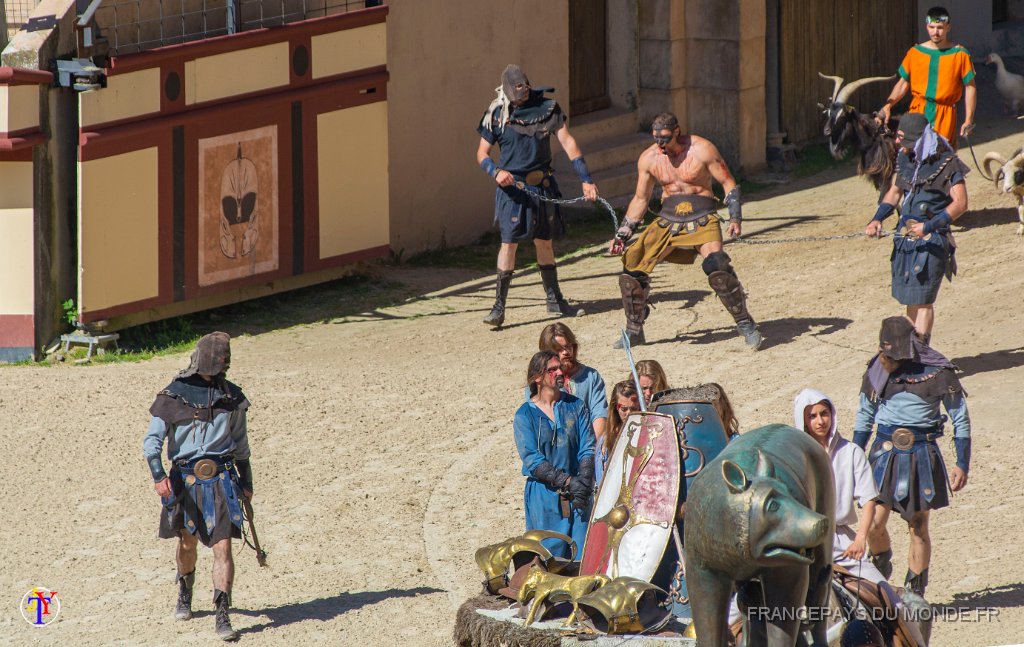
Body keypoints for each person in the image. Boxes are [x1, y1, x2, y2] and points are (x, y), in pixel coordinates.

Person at [609, 112, 763, 349]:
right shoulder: (649, 158)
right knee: (632, 269)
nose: (660, 144)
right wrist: (622, 234)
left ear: (677, 132)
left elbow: (728, 182)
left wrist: (735, 217)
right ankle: (634, 330)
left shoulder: (702, 149)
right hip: (668, 218)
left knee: (717, 266)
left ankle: (745, 323)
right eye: (656, 138)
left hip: (702, 216)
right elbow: (641, 198)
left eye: (666, 138)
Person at [143, 332, 253, 641]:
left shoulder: (232, 397)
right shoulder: (173, 395)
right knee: (187, 544)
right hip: (185, 481)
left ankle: (222, 614)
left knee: (223, 547)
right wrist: (158, 476)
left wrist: (246, 481)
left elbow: (241, 444)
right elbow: (152, 442)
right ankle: (185, 590)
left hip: (220, 481)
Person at [853, 316, 971, 596]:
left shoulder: (939, 371)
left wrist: (962, 462)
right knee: (873, 524)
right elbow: (864, 417)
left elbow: (960, 419)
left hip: (921, 454)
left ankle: (915, 595)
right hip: (883, 455)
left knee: (918, 527)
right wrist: (854, 459)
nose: (888, 358)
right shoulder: (876, 370)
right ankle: (880, 567)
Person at [476, 64, 599, 328]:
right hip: (513, 190)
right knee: (509, 244)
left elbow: (569, 143)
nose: (522, 91)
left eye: (524, 86)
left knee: (544, 242)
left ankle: (554, 300)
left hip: (542, 186)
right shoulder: (496, 114)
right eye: (516, 88)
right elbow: (481, 154)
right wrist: (496, 172)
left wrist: (586, 180)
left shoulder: (548, 109)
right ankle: (498, 306)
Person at [865, 112, 968, 343]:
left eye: (902, 137)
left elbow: (961, 203)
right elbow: (895, 192)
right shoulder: (907, 159)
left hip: (931, 242)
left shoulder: (947, 164)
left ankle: (921, 351)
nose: (898, 142)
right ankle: (911, 351)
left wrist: (929, 226)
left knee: (923, 300)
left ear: (918, 139)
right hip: (906, 239)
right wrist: (877, 218)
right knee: (911, 299)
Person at [794, 388, 886, 584]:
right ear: (803, 420)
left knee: (888, 598)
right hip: (802, 545)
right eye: (812, 416)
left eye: (824, 414)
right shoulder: (794, 457)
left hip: (842, 543)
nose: (820, 421)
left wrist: (860, 540)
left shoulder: (851, 452)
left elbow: (869, 500)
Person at [513, 350, 596, 557]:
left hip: (579, 492)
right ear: (537, 378)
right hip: (544, 495)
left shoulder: (576, 406)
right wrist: (567, 481)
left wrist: (584, 481)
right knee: (549, 555)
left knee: (583, 553)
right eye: (552, 369)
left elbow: (587, 446)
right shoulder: (525, 415)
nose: (559, 372)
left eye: (560, 367)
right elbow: (532, 459)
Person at [876, 6, 976, 148]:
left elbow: (970, 88)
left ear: (948, 27)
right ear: (926, 27)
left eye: (940, 27)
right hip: (917, 113)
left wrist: (968, 120)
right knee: (910, 155)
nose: (935, 32)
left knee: (940, 158)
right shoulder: (915, 53)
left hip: (944, 116)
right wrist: (888, 105)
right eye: (931, 27)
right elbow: (903, 83)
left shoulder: (960, 54)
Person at [538, 322, 608, 445]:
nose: (566, 352)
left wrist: (589, 453)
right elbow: (540, 427)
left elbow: (600, 417)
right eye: (559, 350)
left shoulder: (591, 377)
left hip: (589, 445)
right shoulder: (539, 384)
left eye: (568, 346)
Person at [595, 380, 641, 488]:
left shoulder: (648, 433)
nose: (629, 414)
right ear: (616, 408)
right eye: (624, 409)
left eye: (634, 408)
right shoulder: (606, 442)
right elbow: (602, 484)